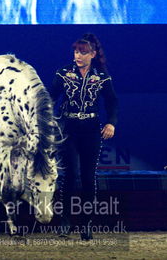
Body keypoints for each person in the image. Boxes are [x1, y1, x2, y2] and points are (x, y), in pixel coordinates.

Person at [49, 33, 118, 241]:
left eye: (83, 52)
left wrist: (111, 122)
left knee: (88, 177)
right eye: (76, 51)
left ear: (93, 54)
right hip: (68, 129)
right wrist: (49, 119)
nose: (78, 55)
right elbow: (50, 97)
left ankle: (86, 224)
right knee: (69, 175)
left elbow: (113, 102)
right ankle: (65, 221)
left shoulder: (102, 76)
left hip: (91, 130)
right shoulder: (63, 73)